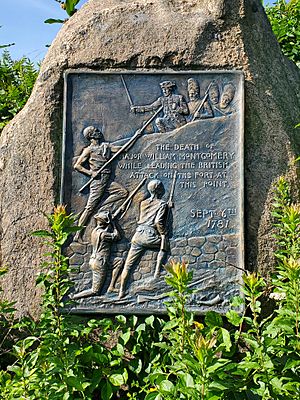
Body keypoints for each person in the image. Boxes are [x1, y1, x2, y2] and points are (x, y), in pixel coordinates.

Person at [74, 126, 140, 241]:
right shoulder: (89, 150)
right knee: (89, 208)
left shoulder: (106, 146)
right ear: (91, 135)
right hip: (98, 181)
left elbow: (123, 149)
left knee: (122, 193)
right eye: (95, 131)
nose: (98, 131)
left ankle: (101, 206)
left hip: (107, 180)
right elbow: (77, 166)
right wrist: (90, 173)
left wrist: (135, 136)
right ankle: (77, 235)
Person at [118, 179, 170, 299]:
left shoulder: (143, 203)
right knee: (164, 243)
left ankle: (121, 291)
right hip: (149, 235)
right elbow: (158, 221)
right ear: (159, 190)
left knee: (128, 265)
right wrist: (163, 233)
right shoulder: (162, 204)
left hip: (137, 235)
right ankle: (157, 273)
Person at [72, 211, 121, 299]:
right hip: (101, 262)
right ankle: (74, 297)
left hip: (96, 260)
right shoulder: (104, 235)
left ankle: (111, 286)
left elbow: (105, 232)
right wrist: (114, 224)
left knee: (119, 262)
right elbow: (117, 236)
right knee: (95, 291)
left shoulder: (95, 231)